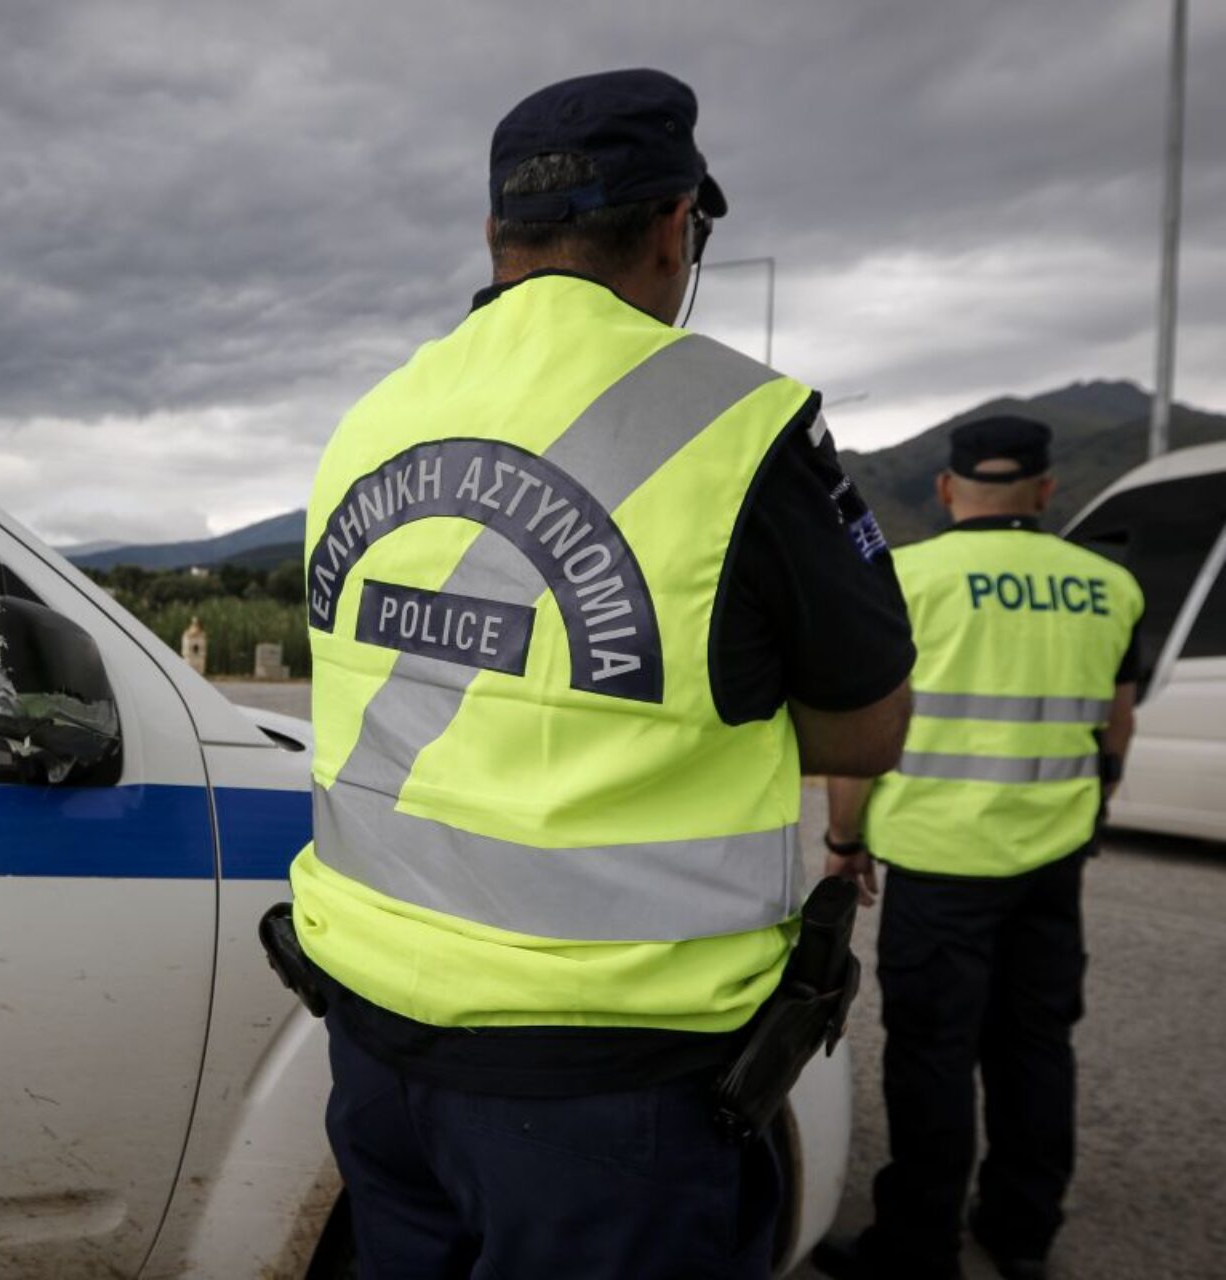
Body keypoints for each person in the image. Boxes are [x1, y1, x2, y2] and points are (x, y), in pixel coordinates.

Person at [286, 68, 915, 1279]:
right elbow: (864, 731)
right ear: (677, 226)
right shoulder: (741, 424)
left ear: (497, 232)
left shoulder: (373, 414)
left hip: (372, 1036)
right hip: (608, 1084)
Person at [811, 417, 1143, 1280]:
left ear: (947, 488)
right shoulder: (1108, 584)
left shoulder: (909, 578)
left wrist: (845, 839)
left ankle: (917, 1247)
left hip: (939, 858)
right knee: (1036, 1042)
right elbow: (1118, 722)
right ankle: (1022, 1231)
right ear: (1047, 489)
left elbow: (865, 729)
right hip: (1053, 858)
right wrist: (1091, 807)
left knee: (933, 1052)